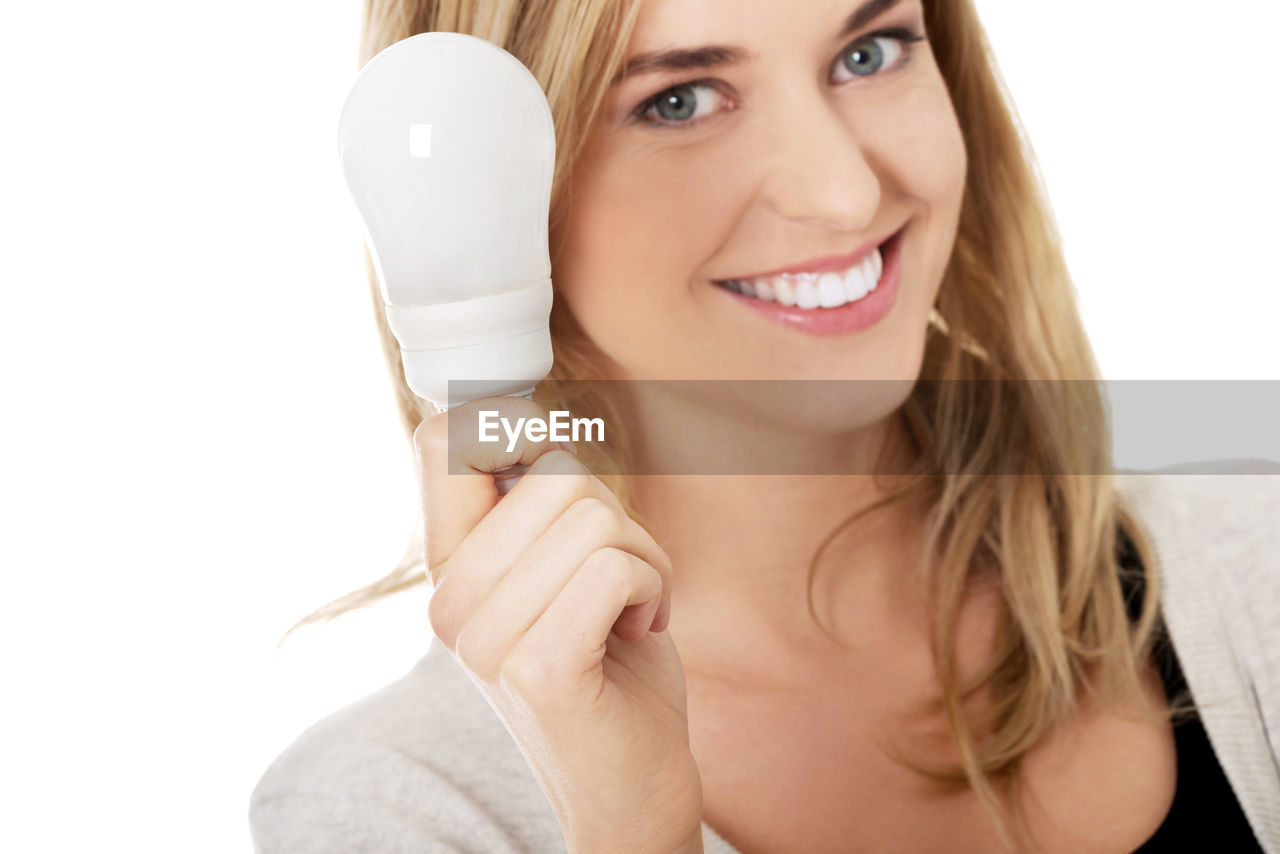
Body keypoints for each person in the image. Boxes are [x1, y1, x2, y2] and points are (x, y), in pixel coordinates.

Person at [249, 0, 1280, 851]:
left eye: (869, 51)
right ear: (490, 193)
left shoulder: (1256, 565)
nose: (842, 193)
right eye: (679, 99)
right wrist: (629, 823)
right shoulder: (391, 808)